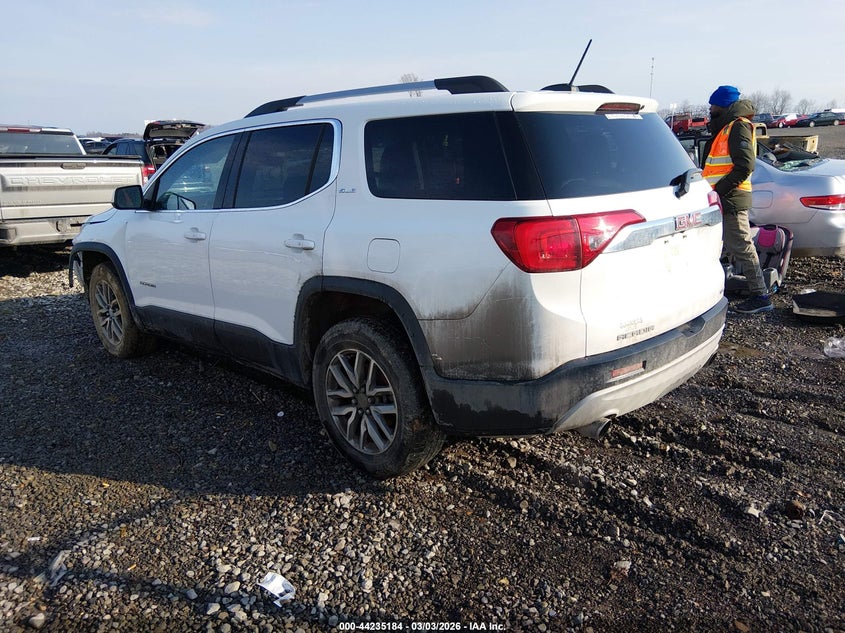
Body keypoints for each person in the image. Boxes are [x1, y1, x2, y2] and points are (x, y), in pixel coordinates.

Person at [702, 85, 773, 314]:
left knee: (742, 245)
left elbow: (745, 166)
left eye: (713, 105)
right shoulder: (726, 127)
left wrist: (720, 190)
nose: (710, 109)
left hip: (730, 198)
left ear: (722, 105)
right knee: (723, 246)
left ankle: (761, 296)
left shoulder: (738, 126)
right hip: (721, 199)